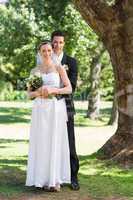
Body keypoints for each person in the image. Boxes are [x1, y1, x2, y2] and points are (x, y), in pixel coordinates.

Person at [25, 40, 72, 192]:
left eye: (49, 50)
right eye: (44, 51)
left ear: (53, 51)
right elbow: (29, 95)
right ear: (39, 53)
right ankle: (42, 179)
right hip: (39, 109)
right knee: (42, 142)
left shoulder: (59, 68)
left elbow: (69, 88)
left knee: (54, 141)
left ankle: (54, 180)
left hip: (54, 109)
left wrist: (54, 90)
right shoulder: (34, 71)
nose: (47, 53)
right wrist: (38, 92)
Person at [51, 30, 80, 190]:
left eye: (61, 42)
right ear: (51, 42)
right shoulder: (45, 59)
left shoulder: (72, 62)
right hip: (48, 109)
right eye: (55, 42)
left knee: (70, 142)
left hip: (65, 107)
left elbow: (73, 86)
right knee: (51, 142)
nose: (57, 45)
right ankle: (53, 175)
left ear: (64, 43)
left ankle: (73, 177)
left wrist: (55, 91)